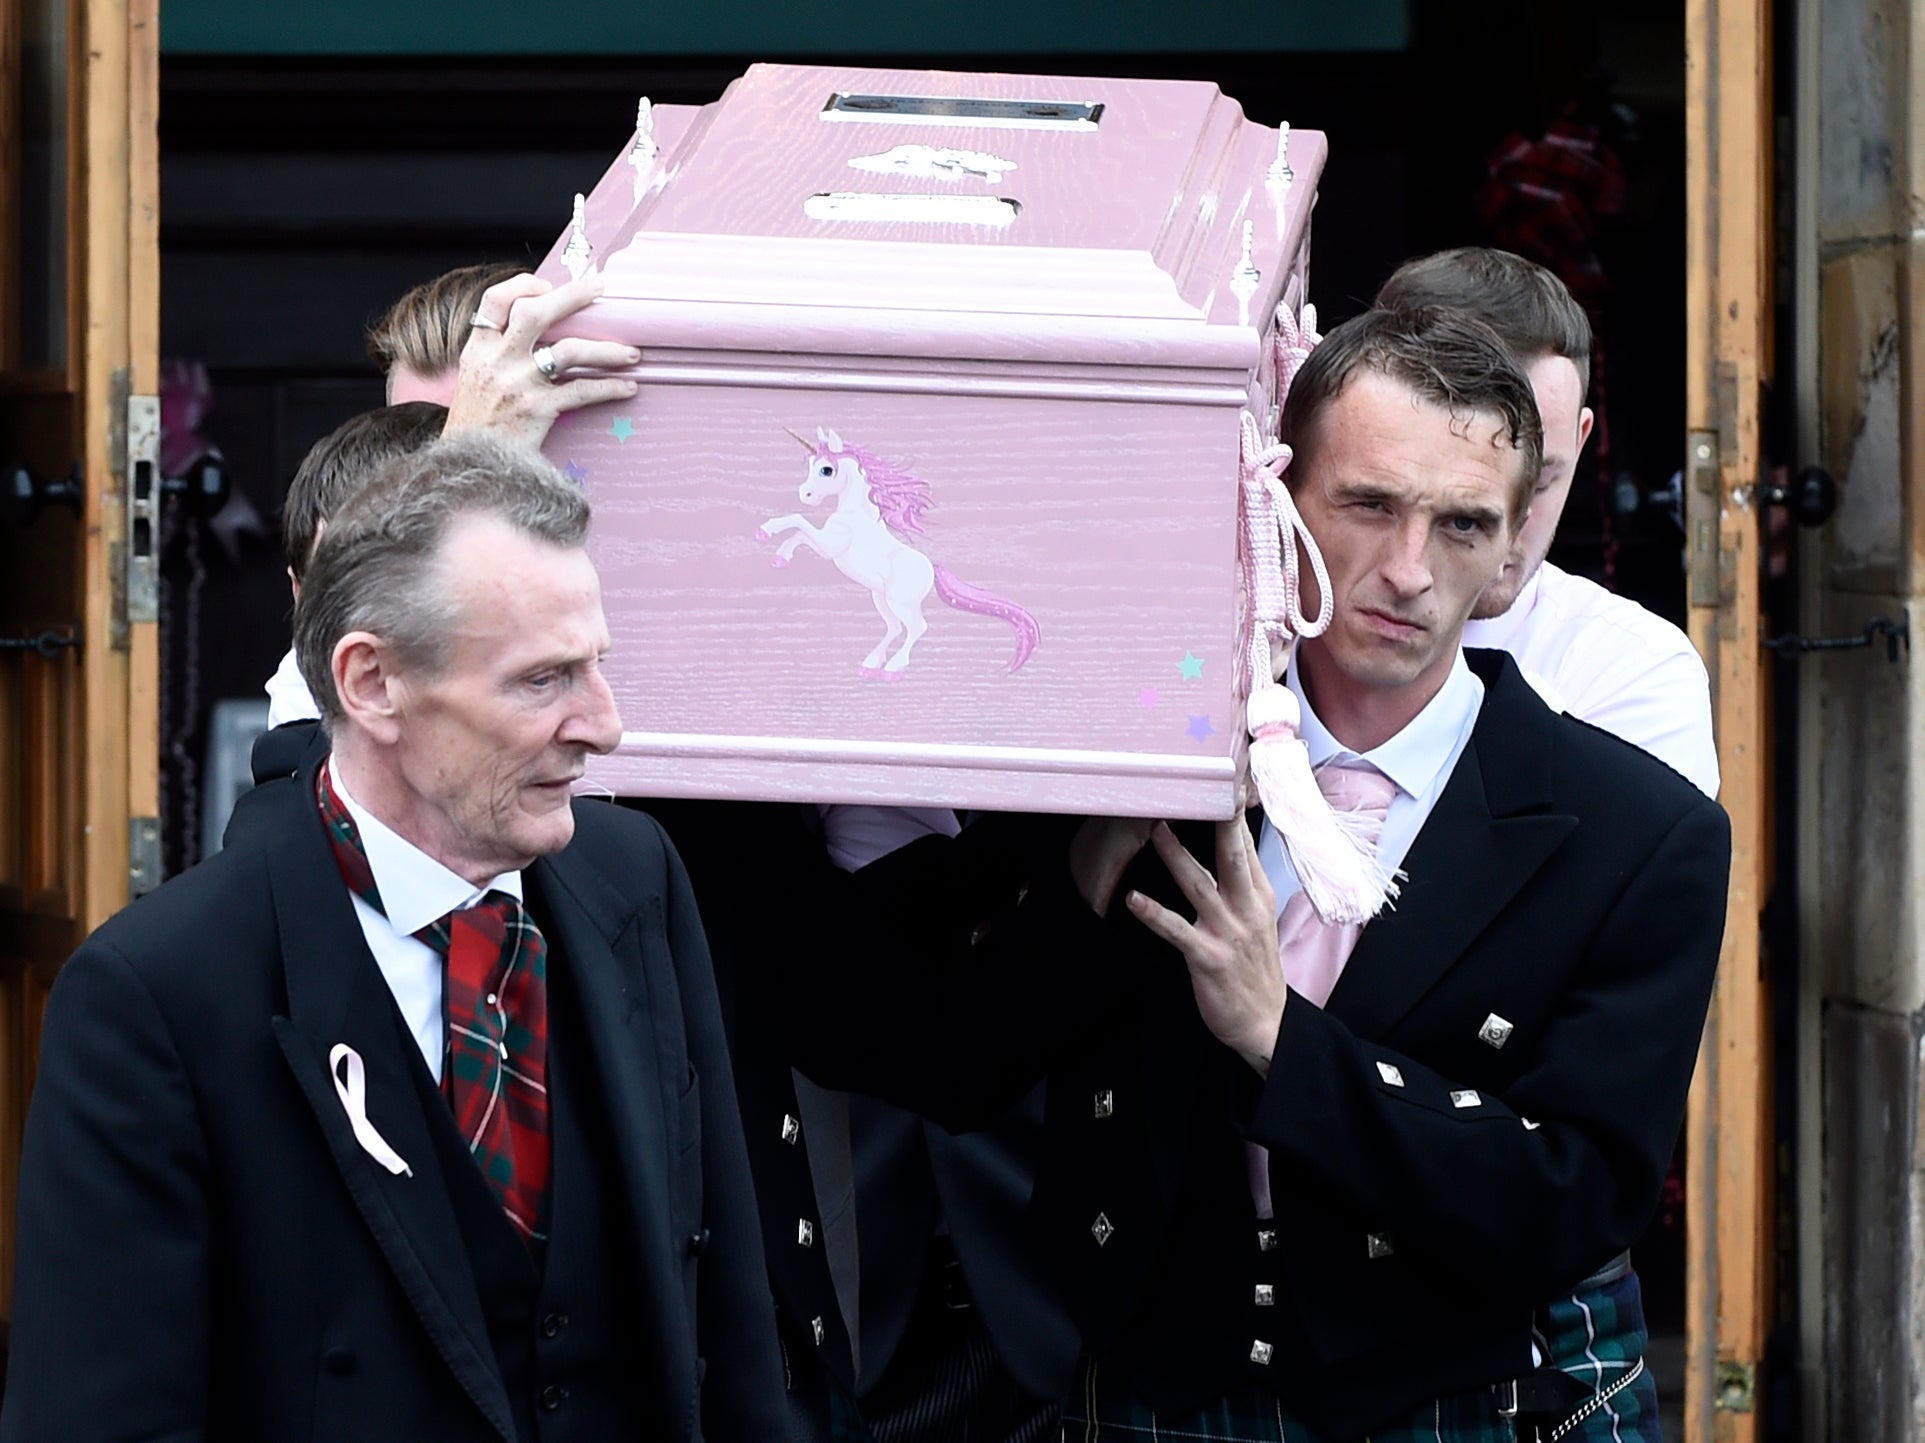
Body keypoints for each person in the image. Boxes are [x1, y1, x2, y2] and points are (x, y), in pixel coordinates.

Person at [741, 305, 1729, 1441]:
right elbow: (945, 1057)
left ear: (1511, 549)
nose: (1406, 570)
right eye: (1366, 505)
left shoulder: (1636, 832)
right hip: (1161, 1392)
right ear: (1278, 501)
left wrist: (1279, 1038)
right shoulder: (1138, 769)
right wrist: (1072, 895)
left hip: (1451, 1396)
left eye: (1459, 525)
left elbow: (1573, 1202)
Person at [1, 435, 786, 1443]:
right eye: (541, 680)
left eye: (598, 665)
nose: (605, 724)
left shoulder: (634, 879)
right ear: (371, 683)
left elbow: (727, 1328)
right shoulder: (158, 994)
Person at [1377, 246, 1714, 1436]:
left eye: (1547, 475)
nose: (1509, 527)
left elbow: (1579, 991)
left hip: (1520, 1275)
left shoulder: (1632, 667)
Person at [1377, 247, 1719, 798]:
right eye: (1466, 498)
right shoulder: (1273, 634)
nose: (1505, 529)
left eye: (1537, 485)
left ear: (1582, 440)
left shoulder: (1634, 674)